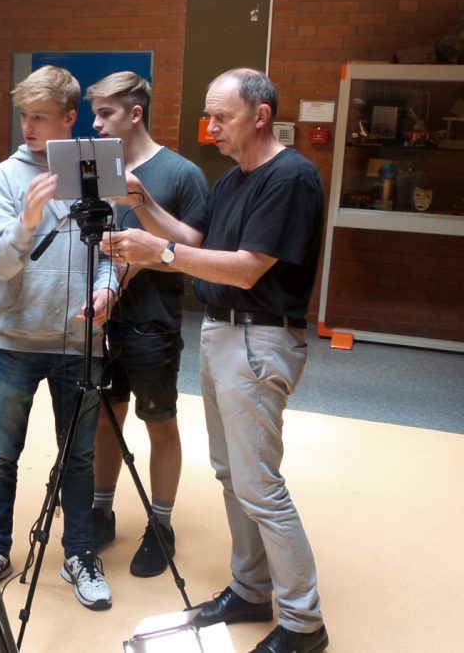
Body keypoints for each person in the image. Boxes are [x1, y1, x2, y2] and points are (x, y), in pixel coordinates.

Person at [102, 68, 328, 652]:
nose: (212, 128)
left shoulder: (291, 177)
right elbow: (196, 245)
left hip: (260, 340)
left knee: (260, 486)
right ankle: (251, 589)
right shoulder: (232, 181)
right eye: (209, 115)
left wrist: (163, 253)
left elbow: (249, 266)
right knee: (233, 477)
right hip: (223, 336)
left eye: (222, 116)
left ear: (261, 115)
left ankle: (305, 624)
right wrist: (144, 205)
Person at [0, 65, 119, 611]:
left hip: (79, 343)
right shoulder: (5, 177)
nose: (27, 126)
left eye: (40, 117)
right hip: (14, 342)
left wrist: (107, 290)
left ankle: (79, 554)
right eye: (23, 115)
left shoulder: (96, 170)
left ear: (69, 118)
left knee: (77, 459)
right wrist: (27, 222)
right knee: (2, 455)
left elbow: (109, 254)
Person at [84, 73, 209, 578]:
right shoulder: (93, 169)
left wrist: (138, 255)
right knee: (105, 419)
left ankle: (161, 524)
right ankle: (100, 509)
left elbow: (194, 253)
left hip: (153, 323)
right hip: (101, 319)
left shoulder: (182, 174)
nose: (94, 123)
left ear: (135, 114)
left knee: (159, 423)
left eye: (106, 113)